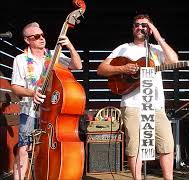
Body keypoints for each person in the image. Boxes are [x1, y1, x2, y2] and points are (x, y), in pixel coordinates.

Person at [97, 14, 178, 180]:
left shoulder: (156, 50)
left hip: (155, 105)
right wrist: (123, 69)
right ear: (132, 28)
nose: (140, 27)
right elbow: (101, 69)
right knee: (134, 145)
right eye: (137, 25)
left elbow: (174, 61)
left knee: (167, 144)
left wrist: (157, 34)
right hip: (132, 104)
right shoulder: (123, 48)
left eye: (144, 25)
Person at [11, 22, 82, 180]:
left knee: (49, 150)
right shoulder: (21, 59)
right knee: (23, 149)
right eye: (36, 36)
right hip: (29, 111)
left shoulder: (54, 55)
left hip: (51, 114)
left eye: (42, 35)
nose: (41, 38)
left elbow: (77, 65)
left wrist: (69, 46)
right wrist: (31, 93)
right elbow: (15, 87)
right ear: (27, 40)